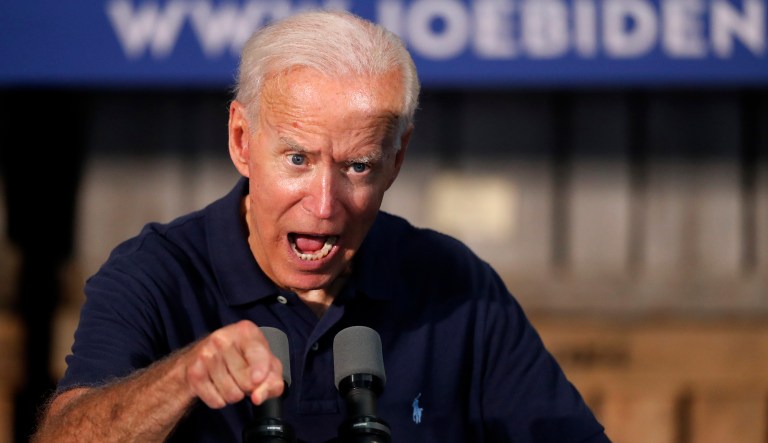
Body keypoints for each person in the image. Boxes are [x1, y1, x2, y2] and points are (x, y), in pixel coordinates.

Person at [32, 9, 610, 443]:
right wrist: (180, 378)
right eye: (298, 160)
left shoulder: (454, 285)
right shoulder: (156, 273)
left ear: (396, 159)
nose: (325, 204)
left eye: (357, 166)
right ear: (242, 141)